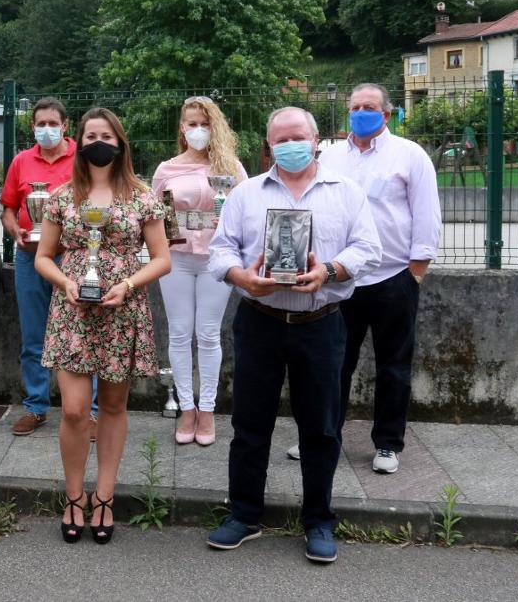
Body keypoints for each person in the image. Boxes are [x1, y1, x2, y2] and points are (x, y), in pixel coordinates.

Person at [206, 106, 381, 564]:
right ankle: (243, 515)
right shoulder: (245, 194)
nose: (290, 144)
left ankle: (319, 520)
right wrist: (242, 277)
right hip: (259, 319)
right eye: (280, 138)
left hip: (320, 324)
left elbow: (368, 247)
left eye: (297, 136)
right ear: (269, 145)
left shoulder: (347, 192)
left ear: (316, 138)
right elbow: (220, 249)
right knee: (249, 425)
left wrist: (331, 269)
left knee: (322, 428)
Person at [285, 84, 440, 474]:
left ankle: (388, 444)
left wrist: (416, 272)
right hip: (341, 277)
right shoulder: (330, 157)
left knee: (393, 366)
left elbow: (426, 214)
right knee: (333, 363)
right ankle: (323, 437)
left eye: (369, 107)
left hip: (393, 277)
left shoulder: (410, 155)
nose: (361, 113)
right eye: (355, 107)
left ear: (386, 114)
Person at [34, 107, 171, 544]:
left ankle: (105, 496)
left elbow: (163, 259)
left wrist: (128, 284)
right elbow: (42, 257)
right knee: (74, 409)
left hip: (122, 310)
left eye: (106, 135)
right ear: (80, 141)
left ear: (120, 142)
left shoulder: (142, 195)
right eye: (91, 134)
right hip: (73, 311)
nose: (99, 141)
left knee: (112, 407)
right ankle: (74, 496)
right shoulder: (60, 197)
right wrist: (66, 282)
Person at [0, 97, 100, 440]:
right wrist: (13, 229)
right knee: (33, 335)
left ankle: (92, 412)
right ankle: (35, 407)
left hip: (74, 258)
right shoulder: (21, 162)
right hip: (30, 257)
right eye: (39, 124)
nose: (46, 129)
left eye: (51, 123)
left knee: (84, 332)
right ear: (32, 127)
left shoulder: (83, 160)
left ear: (66, 125)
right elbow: (9, 209)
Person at [152, 96, 247, 446]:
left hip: (216, 259)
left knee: (208, 333)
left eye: (204, 124)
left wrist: (196, 221)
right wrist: (197, 221)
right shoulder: (166, 169)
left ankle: (207, 410)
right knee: (178, 333)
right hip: (176, 258)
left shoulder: (231, 166)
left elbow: (241, 214)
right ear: (181, 127)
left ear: (215, 127)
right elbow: (160, 218)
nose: (198, 130)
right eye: (191, 124)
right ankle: (186, 408)